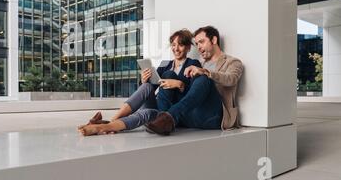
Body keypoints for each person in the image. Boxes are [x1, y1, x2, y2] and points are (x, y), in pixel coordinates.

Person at [78, 26, 243, 136]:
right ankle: (107, 125)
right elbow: (183, 93)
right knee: (150, 109)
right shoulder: (195, 63)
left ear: (213, 40)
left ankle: (166, 117)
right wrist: (145, 81)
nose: (198, 47)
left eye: (201, 42)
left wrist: (203, 72)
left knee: (201, 78)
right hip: (187, 113)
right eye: (197, 43)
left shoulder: (228, 62)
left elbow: (231, 78)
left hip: (213, 114)